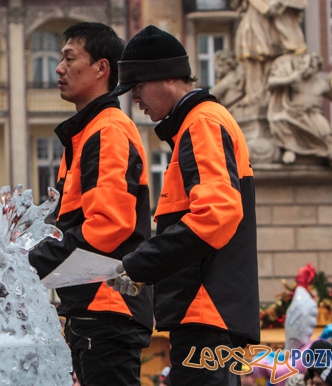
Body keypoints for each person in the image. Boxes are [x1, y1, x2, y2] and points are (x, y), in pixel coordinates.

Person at [108, 25, 259, 386]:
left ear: (165, 79)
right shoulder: (200, 122)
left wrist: (140, 264)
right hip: (209, 312)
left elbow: (217, 213)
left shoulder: (201, 122)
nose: (136, 100)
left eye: (138, 88)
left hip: (206, 311)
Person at [28, 22, 154, 386]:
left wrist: (31, 264)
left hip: (108, 307)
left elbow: (109, 224)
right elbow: (70, 224)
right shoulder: (88, 132)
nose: (59, 68)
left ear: (102, 68)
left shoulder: (108, 130)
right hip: (94, 308)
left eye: (70, 58)